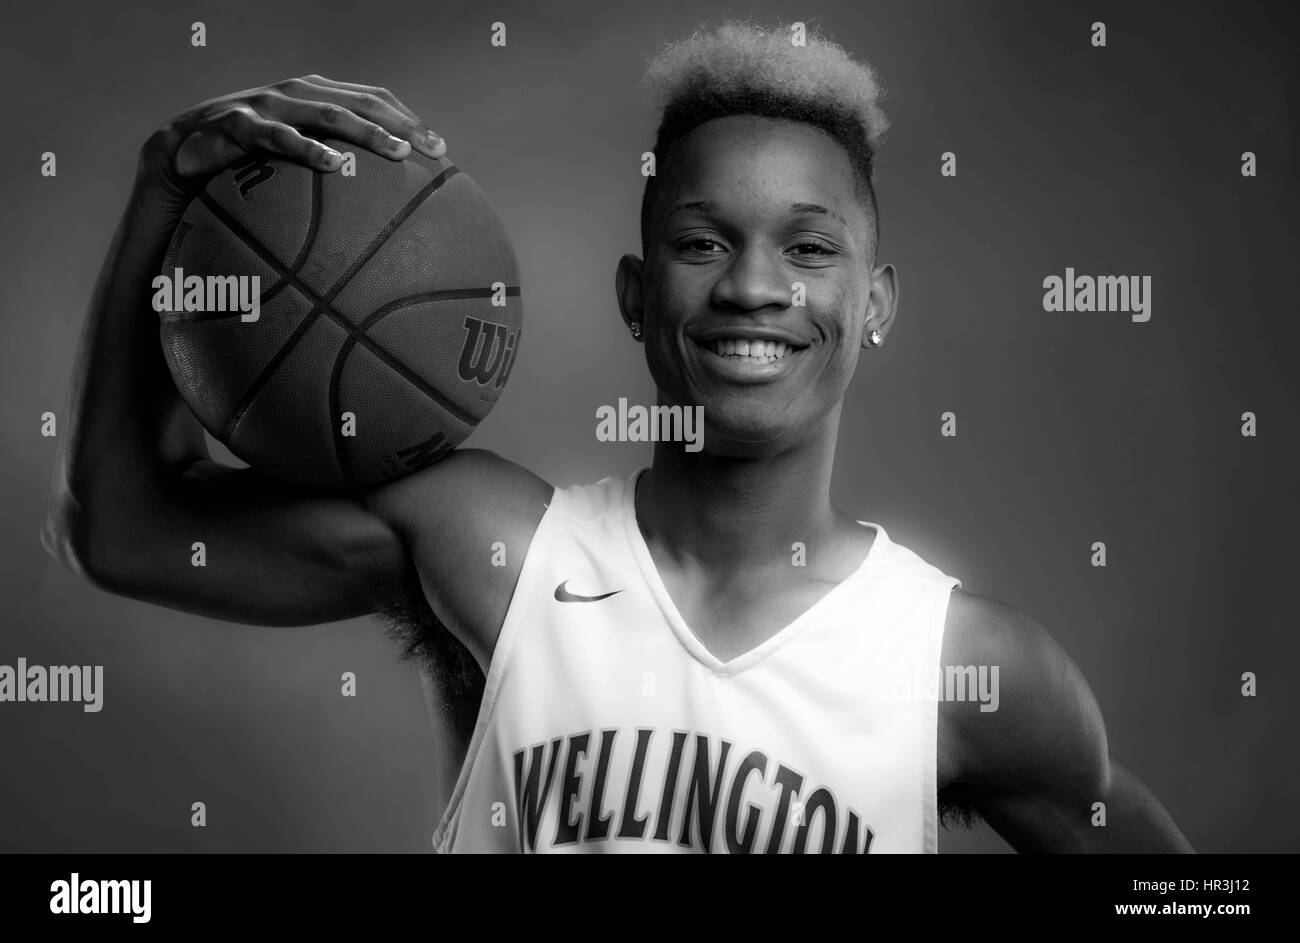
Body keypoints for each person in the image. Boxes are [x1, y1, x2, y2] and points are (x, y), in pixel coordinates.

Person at [44, 21, 1193, 853]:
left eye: (807, 247)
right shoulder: (489, 543)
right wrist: (164, 187)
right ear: (636, 297)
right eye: (702, 242)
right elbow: (125, 529)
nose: (753, 286)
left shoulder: (964, 666)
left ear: (875, 302)